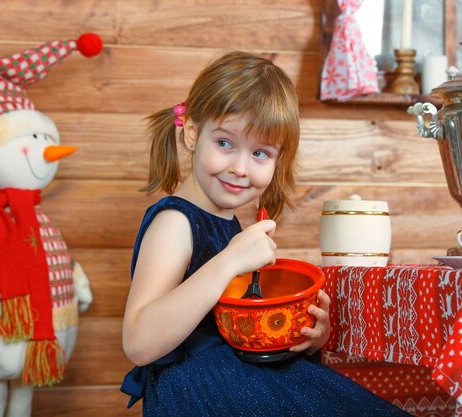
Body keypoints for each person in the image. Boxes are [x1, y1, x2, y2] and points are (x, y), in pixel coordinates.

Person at [120, 50, 411, 417]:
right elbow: (140, 342)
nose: (240, 168)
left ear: (278, 160)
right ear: (193, 134)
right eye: (224, 143)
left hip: (236, 380)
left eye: (260, 153)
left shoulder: (228, 223)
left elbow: (228, 323)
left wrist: (302, 338)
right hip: (198, 393)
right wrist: (229, 261)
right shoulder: (174, 222)